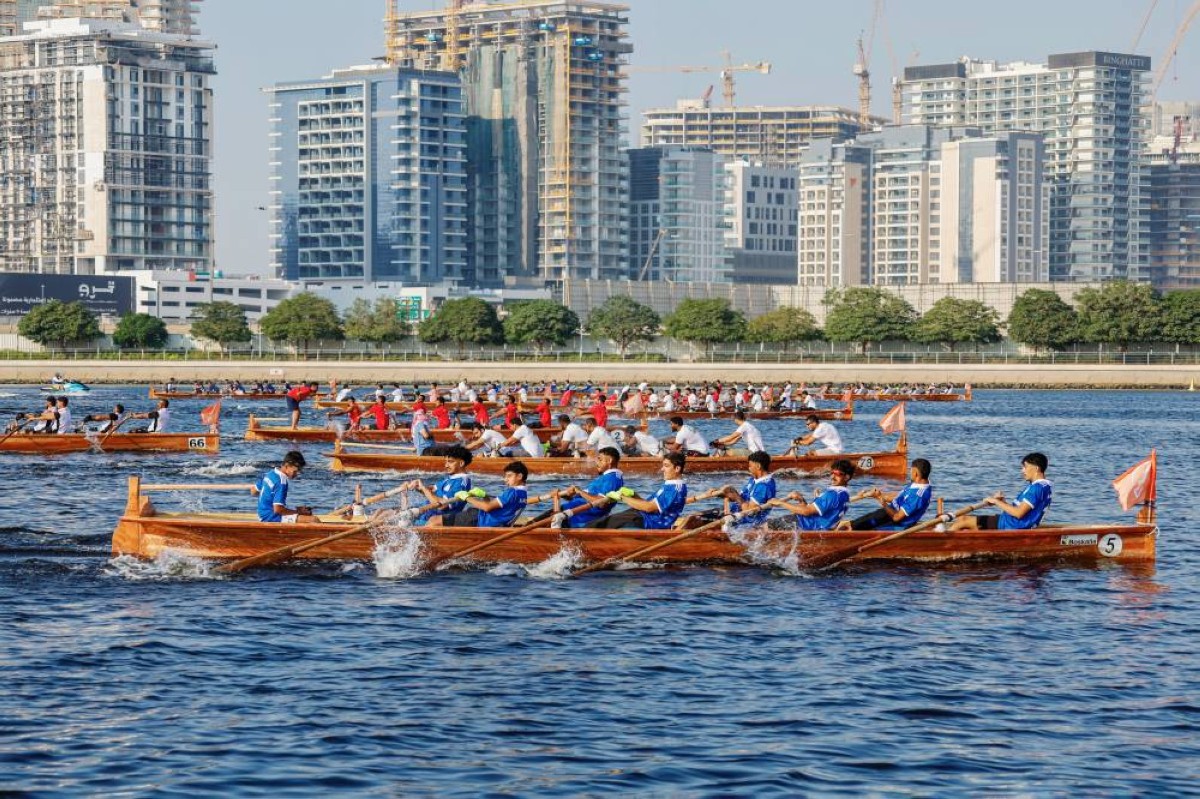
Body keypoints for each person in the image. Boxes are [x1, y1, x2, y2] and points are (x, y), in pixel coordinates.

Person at [951, 453, 1053, 531]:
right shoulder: (1043, 486)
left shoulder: (1037, 488)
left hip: (1012, 525)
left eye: (1025, 467)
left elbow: (1018, 513)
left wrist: (996, 502)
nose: (1022, 471)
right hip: (1011, 522)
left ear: (1036, 468)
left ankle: (939, 543)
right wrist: (1003, 502)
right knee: (962, 520)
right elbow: (1021, 511)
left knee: (963, 521)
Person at [593, 452, 689, 530]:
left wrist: (622, 497)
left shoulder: (675, 489)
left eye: (666, 466)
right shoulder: (671, 484)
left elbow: (648, 508)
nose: (662, 469)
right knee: (604, 521)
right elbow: (648, 504)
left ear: (677, 469)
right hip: (644, 516)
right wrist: (633, 494)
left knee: (604, 523)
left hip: (650, 523)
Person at [539, 447, 625, 528]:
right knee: (534, 523)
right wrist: (563, 494)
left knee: (532, 526)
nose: (597, 462)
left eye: (600, 459)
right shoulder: (606, 477)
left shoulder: (613, 478)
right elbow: (585, 497)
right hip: (569, 512)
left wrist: (580, 491)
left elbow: (601, 503)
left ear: (609, 461)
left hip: (577, 518)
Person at [840, 458, 933, 531]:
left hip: (895, 523)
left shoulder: (918, 495)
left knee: (849, 527)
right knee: (851, 525)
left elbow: (897, 518)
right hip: (887, 513)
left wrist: (881, 499)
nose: (909, 473)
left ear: (916, 473)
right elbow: (899, 498)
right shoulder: (918, 484)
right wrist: (876, 495)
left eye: (911, 471)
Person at [768, 459, 855, 530]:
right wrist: (801, 500)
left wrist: (780, 503)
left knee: (764, 526)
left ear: (847, 477)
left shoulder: (833, 495)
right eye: (832, 473)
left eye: (837, 474)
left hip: (803, 525)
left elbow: (806, 512)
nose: (832, 477)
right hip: (812, 525)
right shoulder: (845, 495)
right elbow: (812, 513)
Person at [404, 445, 475, 526]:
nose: (446, 465)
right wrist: (416, 486)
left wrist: (423, 488)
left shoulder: (461, 483)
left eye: (450, 462)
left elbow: (442, 505)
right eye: (446, 461)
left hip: (432, 522)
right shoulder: (450, 478)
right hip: (424, 514)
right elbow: (430, 491)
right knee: (389, 513)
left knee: (393, 519)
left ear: (461, 463)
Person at [451, 462, 531, 528]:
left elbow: (487, 508)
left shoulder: (512, 492)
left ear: (520, 476)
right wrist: (484, 496)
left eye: (509, 476)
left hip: (478, 519)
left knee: (439, 521)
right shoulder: (523, 494)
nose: (505, 479)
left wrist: (466, 498)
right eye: (505, 476)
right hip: (486, 521)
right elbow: (492, 507)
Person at [717, 451, 777, 527]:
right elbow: (740, 497)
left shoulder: (764, 487)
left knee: (699, 520)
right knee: (698, 516)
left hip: (746, 522)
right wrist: (725, 493)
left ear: (758, 466)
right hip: (732, 513)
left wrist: (735, 496)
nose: (749, 468)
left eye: (750, 466)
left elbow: (749, 511)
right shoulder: (753, 479)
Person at [256, 450, 314, 523]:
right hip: (270, 517)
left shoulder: (270, 473)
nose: (296, 474)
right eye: (295, 471)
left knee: (304, 513)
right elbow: (278, 510)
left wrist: (297, 510)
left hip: (262, 514)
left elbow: (253, 491)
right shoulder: (281, 482)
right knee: (313, 520)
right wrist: (298, 512)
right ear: (286, 466)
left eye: (299, 471)